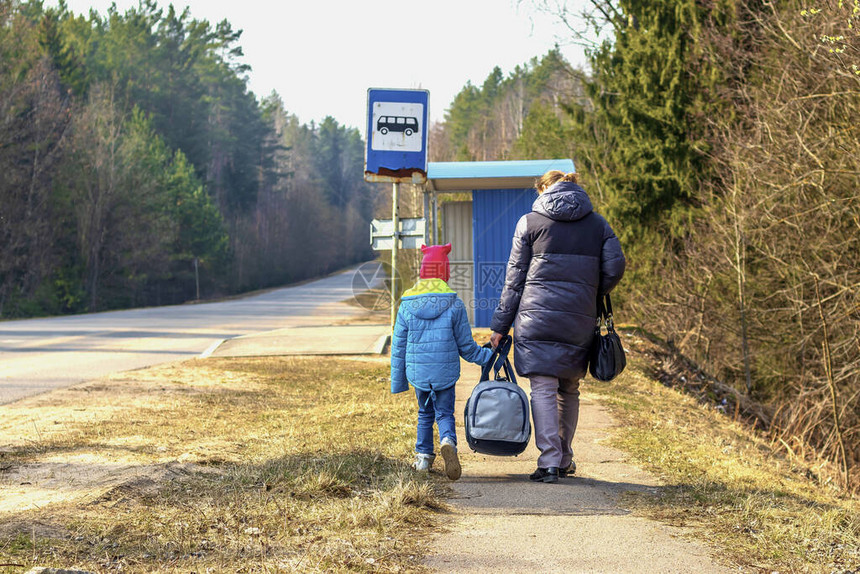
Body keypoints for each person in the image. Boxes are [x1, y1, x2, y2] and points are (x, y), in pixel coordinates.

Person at [490, 170, 625, 483]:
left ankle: (549, 461)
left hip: (535, 318)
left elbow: (514, 280)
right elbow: (616, 266)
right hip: (579, 317)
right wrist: (591, 290)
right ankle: (564, 458)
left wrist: (501, 325)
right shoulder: (598, 224)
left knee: (543, 388)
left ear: (543, 190)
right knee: (569, 387)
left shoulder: (529, 222)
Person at [391, 243, 494, 480]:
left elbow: (398, 347)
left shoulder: (406, 305)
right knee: (445, 413)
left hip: (418, 373)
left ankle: (423, 458)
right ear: (445, 273)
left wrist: (398, 381)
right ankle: (448, 441)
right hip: (444, 373)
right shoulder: (455, 304)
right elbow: (467, 348)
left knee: (424, 413)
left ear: (422, 272)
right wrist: (488, 357)